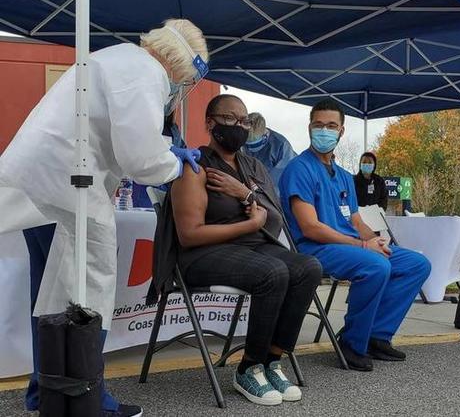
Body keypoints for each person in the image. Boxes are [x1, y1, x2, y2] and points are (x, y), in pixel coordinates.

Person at [0, 18, 208, 417]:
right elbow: (141, 157)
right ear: (183, 65)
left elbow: (121, 137)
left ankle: (46, 392)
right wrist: (173, 164)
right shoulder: (148, 74)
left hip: (42, 183)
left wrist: (162, 153)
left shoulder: (117, 59)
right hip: (64, 184)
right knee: (89, 286)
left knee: (52, 297)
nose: (181, 89)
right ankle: (87, 398)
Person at [170, 94, 322, 405]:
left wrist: (245, 193)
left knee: (308, 268)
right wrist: (249, 224)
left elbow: (275, 219)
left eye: (244, 121)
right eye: (231, 119)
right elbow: (188, 235)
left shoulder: (253, 166)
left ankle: (272, 360)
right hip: (203, 254)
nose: (239, 126)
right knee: (273, 272)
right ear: (210, 123)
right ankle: (249, 368)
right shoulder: (195, 167)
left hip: (252, 248)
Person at [278, 98, 431, 371]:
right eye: (319, 125)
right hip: (314, 248)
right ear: (310, 127)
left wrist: (374, 239)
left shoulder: (345, 175)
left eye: (331, 125)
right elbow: (311, 227)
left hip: (350, 245)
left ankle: (376, 336)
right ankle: (351, 342)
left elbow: (355, 219)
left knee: (416, 264)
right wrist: (363, 245)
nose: (324, 130)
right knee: (375, 265)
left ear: (342, 131)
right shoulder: (299, 169)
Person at [243, 112, 297, 188]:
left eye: (255, 144)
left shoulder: (280, 145)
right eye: (248, 145)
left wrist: (260, 188)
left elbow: (280, 180)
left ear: (264, 136)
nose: (251, 149)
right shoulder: (240, 140)